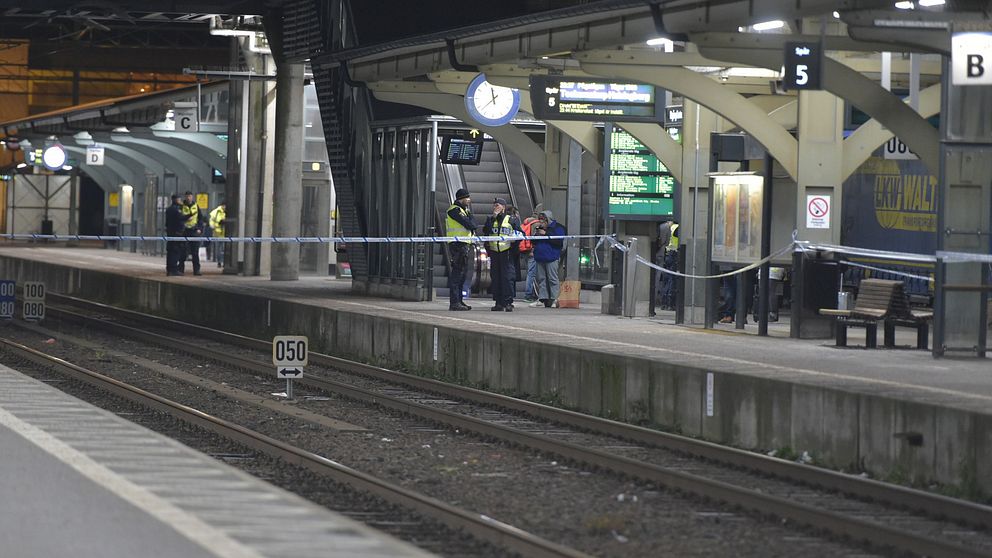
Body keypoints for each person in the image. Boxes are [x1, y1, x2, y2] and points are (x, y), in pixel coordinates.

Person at [483, 197, 523, 312]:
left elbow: (520, 233)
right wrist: (493, 218)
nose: (495, 207)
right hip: (494, 253)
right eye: (494, 205)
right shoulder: (490, 219)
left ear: (503, 207)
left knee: (507, 278)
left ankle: (508, 302)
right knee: (495, 278)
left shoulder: (511, 220)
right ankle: (498, 302)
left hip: (507, 252)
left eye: (497, 205)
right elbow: (486, 231)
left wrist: (514, 243)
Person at [445, 188, 477, 311]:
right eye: (467, 198)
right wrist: (470, 221)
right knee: (457, 273)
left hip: (465, 244)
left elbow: (474, 223)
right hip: (457, 244)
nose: (469, 200)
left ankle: (459, 300)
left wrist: (470, 220)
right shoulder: (454, 210)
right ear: (461, 198)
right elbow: (470, 224)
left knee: (462, 274)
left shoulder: (464, 210)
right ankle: (454, 302)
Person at [529, 210, 566, 308]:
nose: (541, 223)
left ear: (548, 220)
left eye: (543, 221)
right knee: (541, 279)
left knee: (552, 278)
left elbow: (559, 242)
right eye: (540, 220)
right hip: (540, 257)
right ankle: (542, 299)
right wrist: (536, 235)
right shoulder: (538, 229)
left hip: (552, 257)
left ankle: (555, 299)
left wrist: (545, 234)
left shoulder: (558, 228)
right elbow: (533, 241)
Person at [165, 193, 191, 276]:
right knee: (175, 251)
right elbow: (180, 218)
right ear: (176, 200)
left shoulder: (169, 209)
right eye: (179, 199)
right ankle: (173, 269)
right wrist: (190, 215)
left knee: (170, 251)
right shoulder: (176, 209)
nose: (180, 201)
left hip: (170, 232)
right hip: (177, 233)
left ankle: (169, 269)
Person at [181, 191, 205, 276]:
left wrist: (199, 228)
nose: (188, 198)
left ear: (192, 197)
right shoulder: (181, 206)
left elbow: (200, 218)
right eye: (187, 196)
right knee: (183, 251)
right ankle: (180, 269)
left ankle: (196, 270)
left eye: (190, 196)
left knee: (195, 252)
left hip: (194, 231)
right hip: (184, 231)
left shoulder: (196, 206)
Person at [520, 207, 541, 303]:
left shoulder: (526, 222)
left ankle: (530, 293)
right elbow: (535, 238)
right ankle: (528, 294)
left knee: (529, 272)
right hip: (532, 251)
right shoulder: (536, 224)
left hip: (524, 250)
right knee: (531, 274)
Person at [657, 220, 679, 310]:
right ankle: (670, 303)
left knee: (666, 279)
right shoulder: (677, 227)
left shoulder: (669, 227)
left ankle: (664, 302)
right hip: (674, 254)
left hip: (667, 254)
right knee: (672, 279)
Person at [209, 202, 227, 268]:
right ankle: (219, 262)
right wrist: (213, 227)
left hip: (225, 233)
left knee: (224, 249)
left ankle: (223, 262)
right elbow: (211, 221)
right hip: (217, 233)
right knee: (219, 248)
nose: (225, 207)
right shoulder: (216, 212)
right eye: (224, 206)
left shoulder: (227, 212)